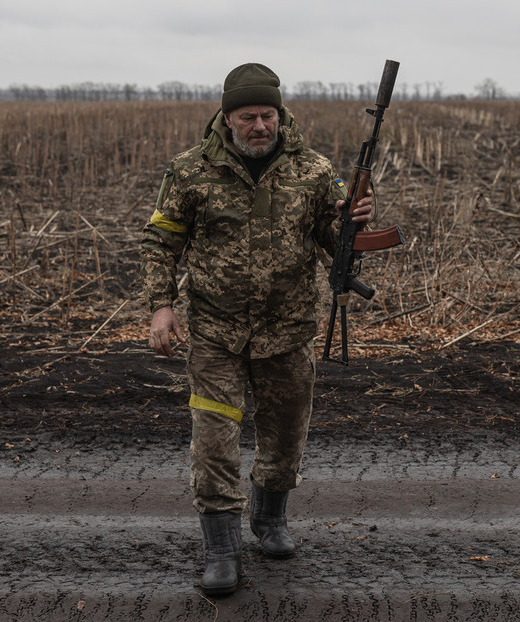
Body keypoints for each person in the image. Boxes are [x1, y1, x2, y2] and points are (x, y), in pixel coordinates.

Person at [139, 63, 373, 596]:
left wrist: (353, 222)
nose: (260, 126)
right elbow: (161, 242)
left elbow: (332, 243)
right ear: (227, 117)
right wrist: (161, 307)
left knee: (285, 434)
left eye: (268, 115)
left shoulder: (313, 170)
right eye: (249, 116)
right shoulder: (190, 171)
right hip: (217, 333)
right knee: (215, 440)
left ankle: (269, 521)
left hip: (288, 332)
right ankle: (222, 550)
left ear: (280, 113)